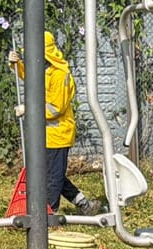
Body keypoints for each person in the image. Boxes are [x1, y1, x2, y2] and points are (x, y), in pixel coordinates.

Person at [9, 31, 102, 216]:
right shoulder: (43, 70)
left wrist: (28, 108)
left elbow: (55, 108)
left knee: (52, 177)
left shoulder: (60, 74)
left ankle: (49, 215)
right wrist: (15, 63)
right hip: (44, 135)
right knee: (51, 174)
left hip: (58, 134)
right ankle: (84, 204)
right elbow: (29, 77)